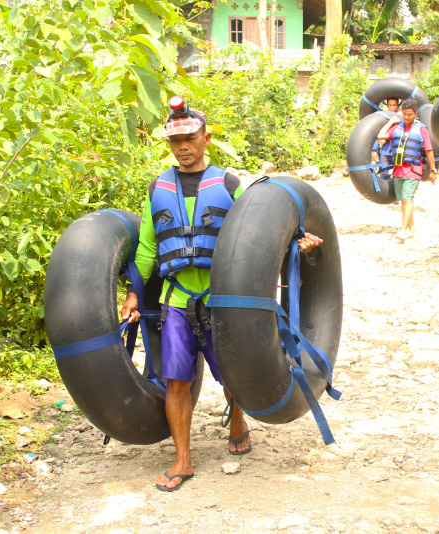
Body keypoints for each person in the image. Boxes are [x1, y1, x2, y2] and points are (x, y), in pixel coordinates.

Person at [120, 99, 322, 492]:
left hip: (224, 298)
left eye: (190, 138)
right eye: (175, 140)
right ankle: (183, 460)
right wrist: (133, 293)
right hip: (176, 300)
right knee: (176, 380)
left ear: (206, 138)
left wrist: (298, 243)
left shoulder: (231, 185)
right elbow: (147, 249)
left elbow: (260, 234)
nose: (182, 146)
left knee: (233, 372)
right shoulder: (157, 187)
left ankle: (237, 419)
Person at [377, 98, 437, 242]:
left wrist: (433, 170)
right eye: (404, 114)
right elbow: (380, 136)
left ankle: (403, 230)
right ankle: (412, 229)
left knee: (407, 200)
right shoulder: (397, 127)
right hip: (398, 170)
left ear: (416, 114)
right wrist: (391, 122)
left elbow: (429, 150)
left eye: (410, 114)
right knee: (402, 201)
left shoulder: (421, 129)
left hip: (413, 170)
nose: (406, 117)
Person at [371, 97, 401, 167]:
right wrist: (374, 149)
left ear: (398, 105)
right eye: (390, 105)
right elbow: (376, 133)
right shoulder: (382, 118)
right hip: (386, 151)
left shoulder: (402, 118)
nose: (392, 107)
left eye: (394, 105)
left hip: (399, 151)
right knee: (384, 173)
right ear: (387, 106)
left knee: (399, 172)